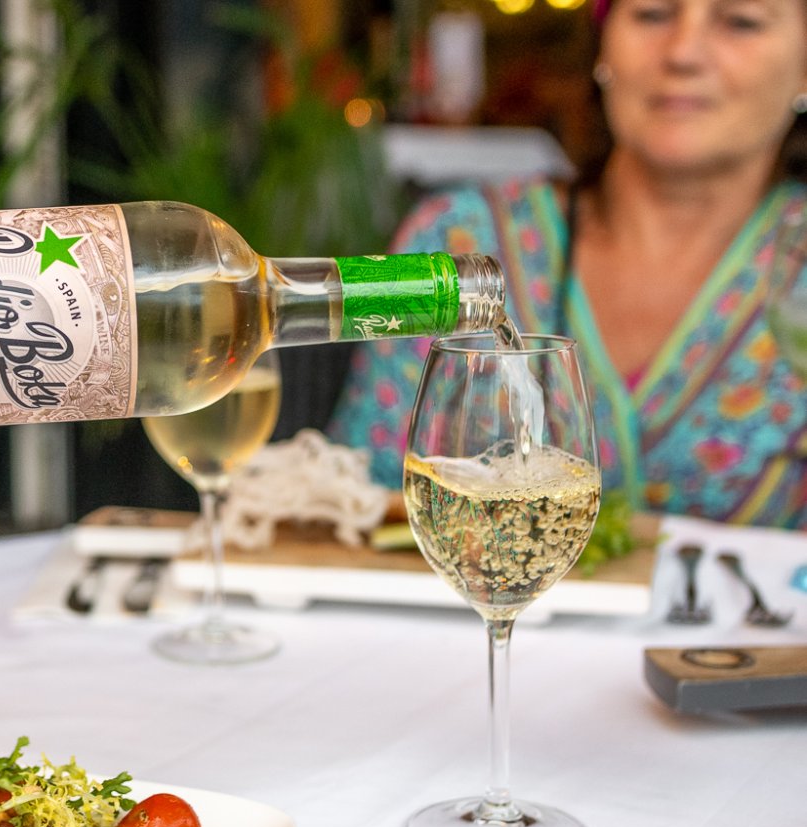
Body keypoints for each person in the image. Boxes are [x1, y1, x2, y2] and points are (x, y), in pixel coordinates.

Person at [330, 0, 807, 529]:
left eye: (741, 21)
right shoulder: (450, 241)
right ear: (603, 48)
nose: (683, 53)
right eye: (652, 14)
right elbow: (348, 501)